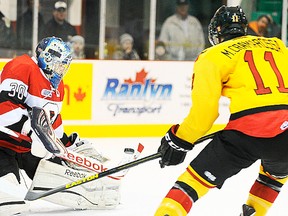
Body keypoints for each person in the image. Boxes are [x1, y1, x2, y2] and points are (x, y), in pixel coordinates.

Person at [154, 5, 288, 216]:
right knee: (275, 175)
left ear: (216, 31)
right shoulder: (277, 46)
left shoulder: (212, 56)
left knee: (191, 184)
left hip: (247, 133)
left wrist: (179, 140)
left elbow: (205, 113)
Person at [0, 37, 126, 215]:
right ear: (48, 59)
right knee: (9, 202)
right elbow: (4, 109)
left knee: (59, 176)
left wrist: (69, 145)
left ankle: (92, 191)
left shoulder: (58, 87)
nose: (63, 70)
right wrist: (31, 131)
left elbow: (52, 122)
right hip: (3, 143)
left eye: (65, 65)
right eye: (60, 64)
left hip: (25, 147)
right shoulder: (22, 66)